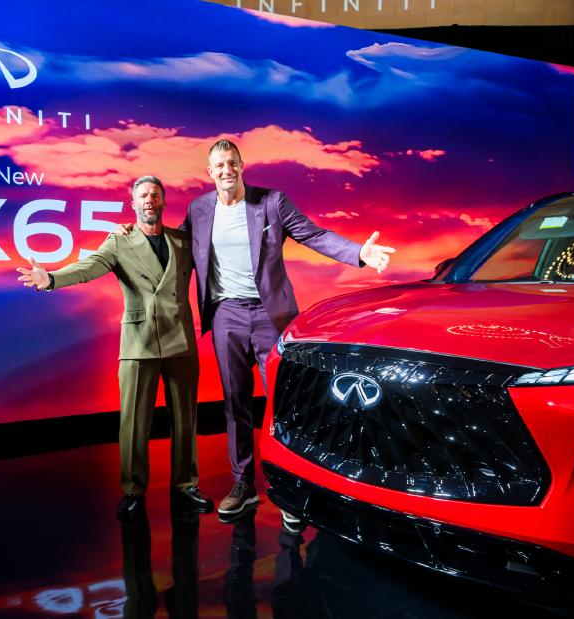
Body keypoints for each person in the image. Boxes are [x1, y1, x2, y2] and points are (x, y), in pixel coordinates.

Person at [118, 140, 395, 516]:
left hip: (270, 314)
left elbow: (312, 234)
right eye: (218, 166)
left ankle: (293, 487)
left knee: (284, 402)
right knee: (235, 402)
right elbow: (173, 243)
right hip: (226, 314)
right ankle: (243, 484)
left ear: (242, 165)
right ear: (210, 172)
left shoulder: (272, 202)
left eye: (231, 163)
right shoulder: (199, 210)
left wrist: (359, 253)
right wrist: (134, 232)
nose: (225, 170)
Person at [17, 175, 213, 520]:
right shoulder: (119, 242)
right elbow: (88, 267)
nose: (149, 199)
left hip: (180, 340)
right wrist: (50, 279)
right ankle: (133, 490)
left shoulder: (183, 241)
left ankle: (186, 486)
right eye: (142, 196)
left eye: (155, 194)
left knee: (185, 420)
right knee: (134, 422)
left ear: (164, 202)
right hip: (139, 342)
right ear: (133, 203)